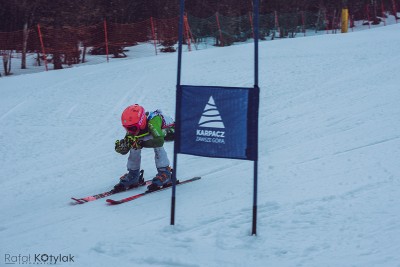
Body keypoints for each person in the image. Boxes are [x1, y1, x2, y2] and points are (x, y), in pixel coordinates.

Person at [113, 104, 175, 192]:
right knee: (134, 144)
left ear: (141, 122)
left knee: (155, 144)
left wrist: (141, 143)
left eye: (132, 128)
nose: (130, 131)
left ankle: (165, 172)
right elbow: (128, 146)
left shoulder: (152, 122)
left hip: (170, 131)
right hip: (153, 133)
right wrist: (122, 148)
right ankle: (133, 174)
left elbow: (159, 141)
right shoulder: (134, 128)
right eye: (126, 128)